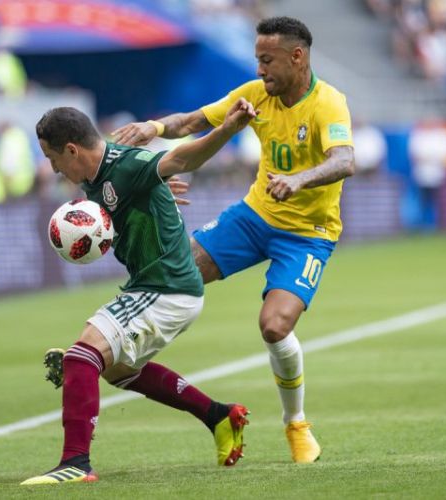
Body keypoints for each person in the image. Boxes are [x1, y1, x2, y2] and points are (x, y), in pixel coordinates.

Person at [112, 16, 356, 464]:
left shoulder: (328, 104)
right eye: (257, 60)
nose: (260, 69)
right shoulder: (254, 95)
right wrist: (155, 128)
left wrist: (300, 180)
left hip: (307, 235)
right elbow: (192, 120)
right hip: (254, 217)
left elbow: (343, 160)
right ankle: (107, 347)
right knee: (172, 269)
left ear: (297, 57)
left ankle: (296, 424)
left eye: (267, 60)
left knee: (274, 326)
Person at [21, 98, 257, 486]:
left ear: (72, 150)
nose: (52, 167)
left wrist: (229, 128)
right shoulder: (92, 179)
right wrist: (158, 195)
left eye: (52, 157)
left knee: (83, 357)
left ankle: (75, 463)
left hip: (167, 287)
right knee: (118, 371)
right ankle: (219, 416)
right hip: (157, 286)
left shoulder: (127, 164)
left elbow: (184, 159)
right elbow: (135, 191)